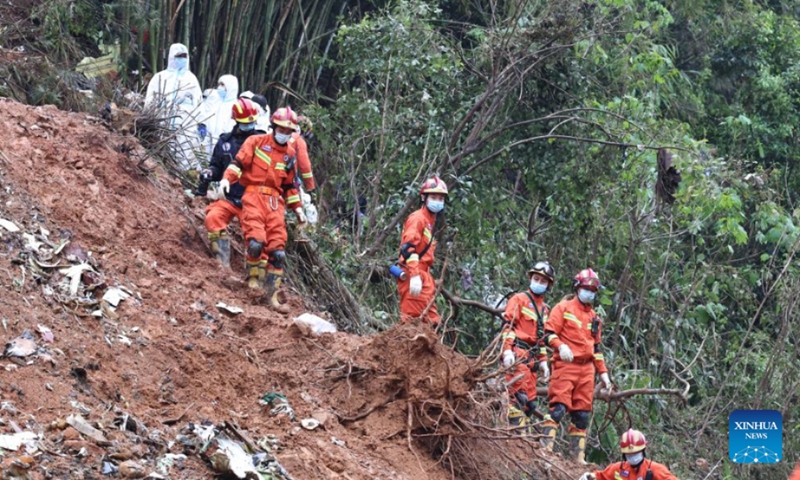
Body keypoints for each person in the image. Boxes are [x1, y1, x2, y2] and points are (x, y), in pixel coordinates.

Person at [218, 107, 306, 311]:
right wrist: (226, 179)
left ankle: (271, 295)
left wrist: (298, 209)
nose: (284, 134)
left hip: (275, 202)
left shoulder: (290, 154)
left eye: (288, 131)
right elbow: (238, 164)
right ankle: (252, 280)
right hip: (254, 196)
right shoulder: (256, 142)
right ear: (273, 127)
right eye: (281, 129)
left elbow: (290, 185)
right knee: (256, 242)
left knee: (278, 252)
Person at [541, 268, 612, 463]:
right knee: (558, 408)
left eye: (593, 290)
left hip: (587, 370)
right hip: (566, 365)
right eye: (587, 288)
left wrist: (604, 374)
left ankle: (576, 460)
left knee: (582, 415)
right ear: (577, 288)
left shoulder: (595, 318)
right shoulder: (563, 308)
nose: (590, 293)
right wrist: (560, 346)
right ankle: (545, 451)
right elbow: (548, 334)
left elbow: (596, 348)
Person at [194, 98, 266, 267]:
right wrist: (209, 172)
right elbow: (216, 166)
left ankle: (255, 274)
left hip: (253, 200)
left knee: (257, 239)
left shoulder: (263, 142)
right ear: (236, 121)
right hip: (229, 197)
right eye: (246, 123)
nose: (249, 126)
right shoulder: (225, 142)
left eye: (252, 123)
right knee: (213, 218)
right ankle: (222, 264)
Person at [501, 261, 555, 428]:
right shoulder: (519, 300)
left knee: (530, 405)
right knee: (518, 399)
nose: (539, 283)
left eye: (543, 281)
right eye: (536, 279)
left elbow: (541, 339)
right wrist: (507, 351)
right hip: (518, 355)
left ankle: (523, 438)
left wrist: (544, 362)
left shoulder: (544, 309)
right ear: (531, 278)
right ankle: (513, 435)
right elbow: (508, 326)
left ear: (548, 285)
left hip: (532, 362)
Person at [396, 176, 448, 326]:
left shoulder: (430, 221)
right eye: (433, 197)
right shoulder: (418, 219)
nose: (437, 201)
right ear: (424, 198)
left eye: (440, 198)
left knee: (432, 322)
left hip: (424, 275)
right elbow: (408, 248)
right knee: (412, 322)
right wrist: (414, 275)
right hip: (413, 272)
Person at [144, 43, 202, 171]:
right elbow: (149, 100)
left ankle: (182, 176)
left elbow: (198, 104)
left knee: (184, 155)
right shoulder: (160, 77)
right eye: (178, 56)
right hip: (161, 123)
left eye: (184, 56)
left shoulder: (191, 80)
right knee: (160, 155)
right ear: (171, 57)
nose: (181, 59)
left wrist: (200, 124)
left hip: (184, 126)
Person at [579, 429, 678, 480]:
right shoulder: (618, 469)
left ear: (643, 451)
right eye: (629, 454)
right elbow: (602, 476)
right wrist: (590, 476)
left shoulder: (655, 470)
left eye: (636, 453)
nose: (633, 456)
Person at [199, 75, 239, 158]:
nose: (220, 87)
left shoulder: (235, 106)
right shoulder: (215, 100)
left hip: (223, 141)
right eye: (219, 84)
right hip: (209, 137)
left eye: (223, 85)